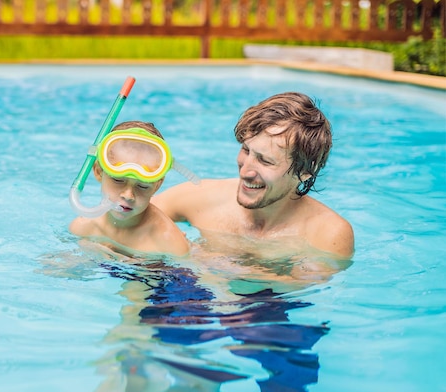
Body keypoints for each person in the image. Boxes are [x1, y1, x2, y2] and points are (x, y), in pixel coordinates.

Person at [152, 92, 354, 269]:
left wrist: (207, 260)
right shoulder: (201, 197)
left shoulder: (328, 234)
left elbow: (300, 288)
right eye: (246, 150)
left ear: (304, 172)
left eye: (265, 161)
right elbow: (130, 215)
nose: (245, 171)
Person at [69, 121, 190, 257]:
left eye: (143, 186)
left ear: (157, 186)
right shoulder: (83, 227)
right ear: (98, 172)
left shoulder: (168, 242)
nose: (128, 195)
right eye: (118, 180)